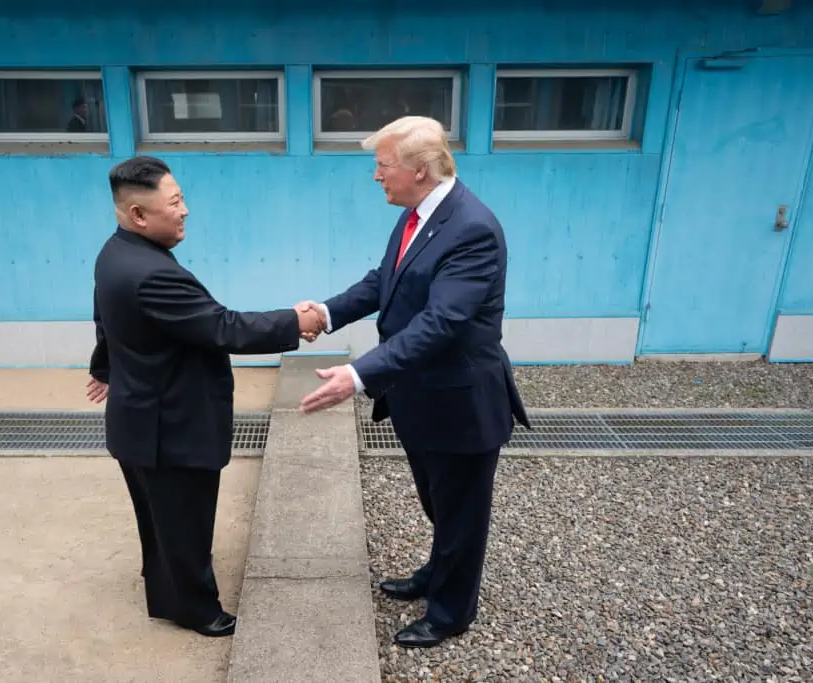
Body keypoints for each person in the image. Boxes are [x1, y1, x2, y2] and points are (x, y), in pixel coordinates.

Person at [297, 116, 530, 648]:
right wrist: (325, 314)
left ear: (419, 170)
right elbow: (386, 280)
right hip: (420, 397)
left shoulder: (472, 228)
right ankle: (435, 573)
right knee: (438, 502)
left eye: (383, 166)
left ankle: (450, 612)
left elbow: (441, 323)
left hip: (460, 403)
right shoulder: (418, 214)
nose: (377, 177)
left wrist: (358, 374)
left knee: (462, 514)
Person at [86, 155, 325, 638]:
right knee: (185, 522)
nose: (186, 211)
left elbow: (106, 318)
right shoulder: (152, 272)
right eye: (175, 203)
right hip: (169, 426)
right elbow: (222, 326)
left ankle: (169, 591)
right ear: (138, 215)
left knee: (161, 519)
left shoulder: (115, 254)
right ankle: (198, 611)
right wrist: (295, 321)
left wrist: (105, 368)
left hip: (140, 420)